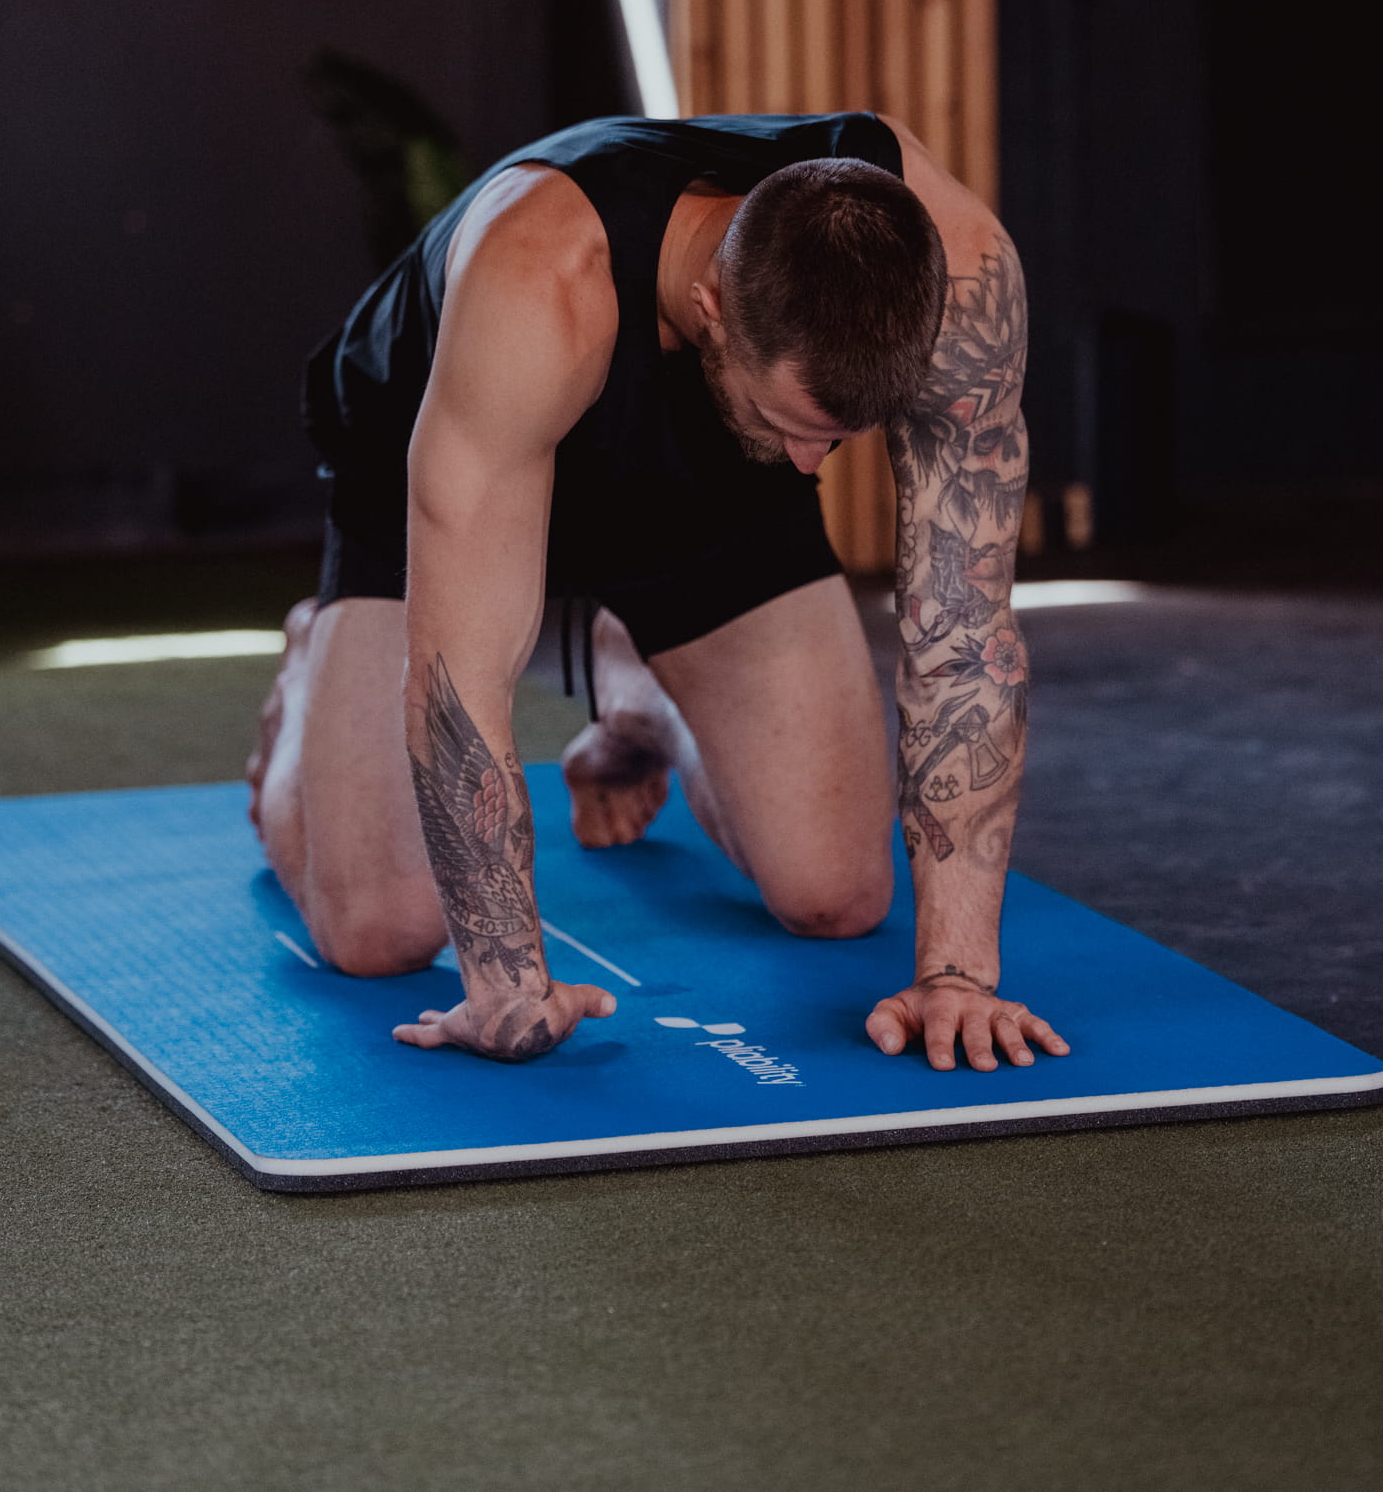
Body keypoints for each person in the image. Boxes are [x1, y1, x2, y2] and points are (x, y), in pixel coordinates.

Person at [247, 111, 1066, 1073]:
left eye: (839, 441)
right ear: (714, 301)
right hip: (436, 467)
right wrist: (507, 986)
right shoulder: (537, 282)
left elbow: (967, 637)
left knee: (837, 895)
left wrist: (959, 978)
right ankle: (316, 664)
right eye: (803, 427)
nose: (817, 466)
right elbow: (461, 677)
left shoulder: (962, 277)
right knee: (378, 931)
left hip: (710, 466)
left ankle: (638, 685)